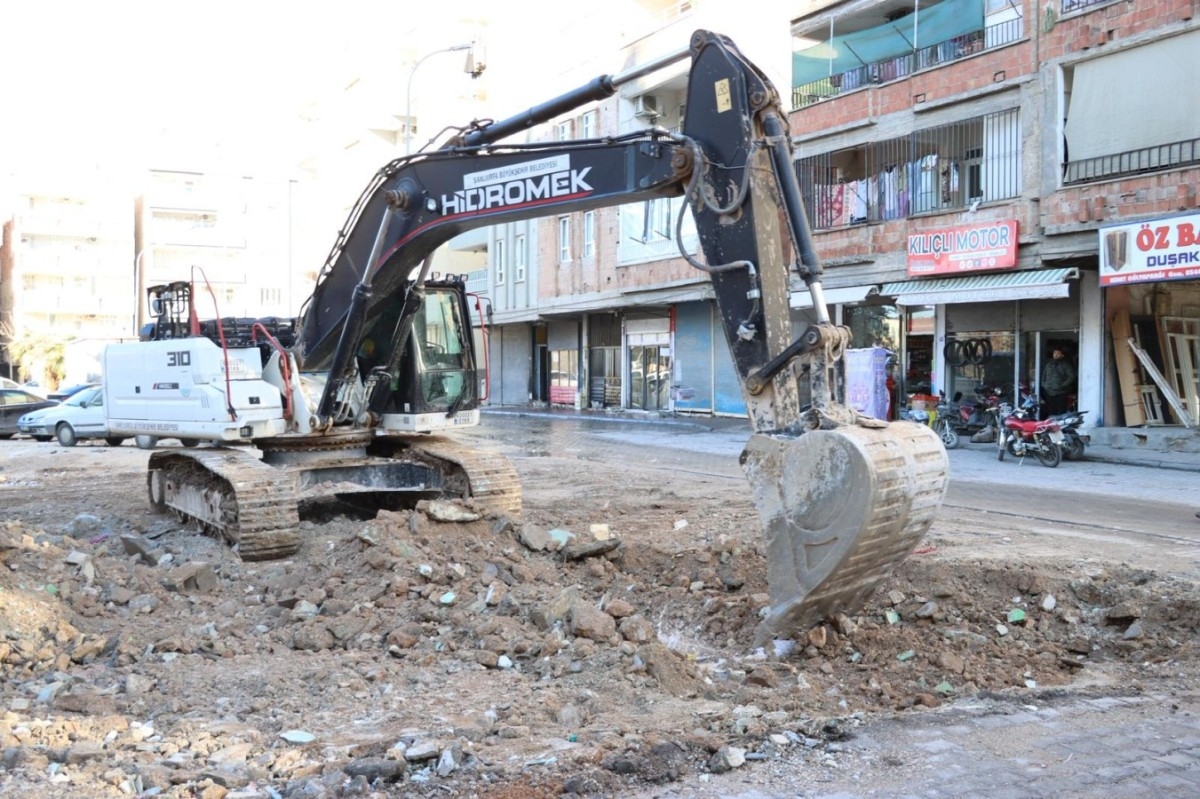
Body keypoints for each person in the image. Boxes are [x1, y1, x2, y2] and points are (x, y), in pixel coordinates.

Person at [1041, 347, 1075, 418]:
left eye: (1058, 353)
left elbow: (1071, 377)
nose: (1056, 355)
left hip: (1061, 393)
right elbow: (1044, 376)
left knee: (1061, 413)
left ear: (1062, 355)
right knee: (1051, 412)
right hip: (1049, 392)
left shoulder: (1066, 365)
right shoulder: (1049, 365)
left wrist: (1062, 385)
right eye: (1055, 353)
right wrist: (1044, 385)